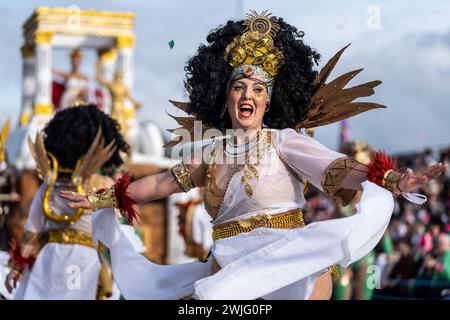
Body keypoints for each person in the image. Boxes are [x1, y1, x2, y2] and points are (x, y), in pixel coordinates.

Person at [61, 11, 447, 300]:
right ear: (225, 98)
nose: (248, 95)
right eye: (240, 87)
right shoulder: (209, 154)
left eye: (258, 89)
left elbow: (337, 170)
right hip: (226, 267)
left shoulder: (283, 142)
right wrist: (100, 197)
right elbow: (161, 183)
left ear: (267, 101)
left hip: (285, 267)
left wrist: (393, 179)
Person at [4, 105, 130, 299]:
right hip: (84, 262)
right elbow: (112, 235)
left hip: (50, 260)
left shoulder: (49, 186)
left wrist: (18, 268)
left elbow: (31, 233)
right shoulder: (103, 185)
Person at [96, 61, 141, 138]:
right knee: (113, 128)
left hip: (121, 111)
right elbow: (99, 79)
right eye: (117, 77)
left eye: (120, 77)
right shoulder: (112, 85)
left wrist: (136, 103)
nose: (118, 79)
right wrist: (97, 68)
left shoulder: (124, 87)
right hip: (114, 109)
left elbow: (130, 98)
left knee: (123, 131)